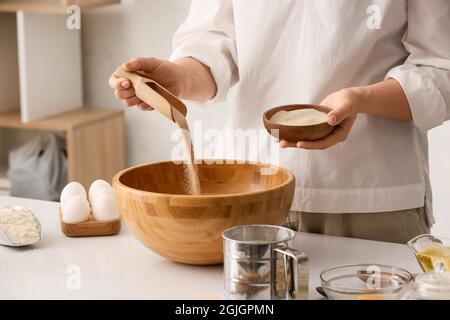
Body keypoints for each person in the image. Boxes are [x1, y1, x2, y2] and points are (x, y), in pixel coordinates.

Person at [109, 0, 450, 243]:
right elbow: (215, 39)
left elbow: (440, 67)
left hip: (368, 197)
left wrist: (361, 100)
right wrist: (179, 77)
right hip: (250, 195)